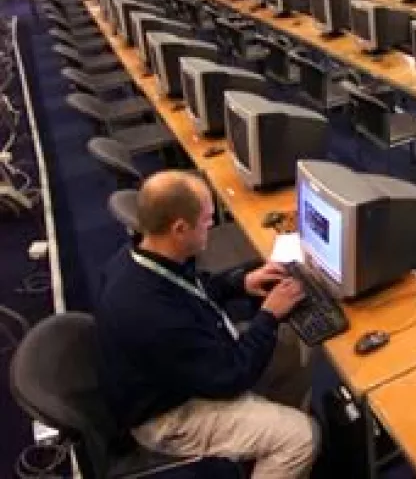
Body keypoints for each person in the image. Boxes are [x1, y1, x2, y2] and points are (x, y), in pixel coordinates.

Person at [96, 170, 318, 478]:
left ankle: (264, 432)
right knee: (300, 437)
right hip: (170, 416)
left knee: (293, 345)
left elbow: (193, 289)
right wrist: (267, 316)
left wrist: (242, 282)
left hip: (187, 370)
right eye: (207, 219)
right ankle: (280, 445)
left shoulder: (142, 255)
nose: (212, 225)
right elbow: (230, 376)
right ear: (180, 229)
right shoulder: (151, 313)